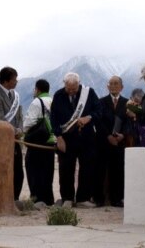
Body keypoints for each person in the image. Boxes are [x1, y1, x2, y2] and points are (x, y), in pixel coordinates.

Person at [49, 72, 100, 208]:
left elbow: (99, 111)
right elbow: (53, 118)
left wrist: (88, 117)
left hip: (86, 137)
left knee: (87, 168)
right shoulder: (59, 95)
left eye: (74, 89)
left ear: (79, 84)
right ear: (64, 84)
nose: (71, 91)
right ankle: (67, 198)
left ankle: (83, 198)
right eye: (68, 88)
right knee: (65, 169)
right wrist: (58, 136)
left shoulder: (89, 93)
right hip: (67, 138)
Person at [0, 66, 25, 201]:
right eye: (14, 79)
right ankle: (4, 198)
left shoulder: (15, 96)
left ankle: (15, 198)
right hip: (3, 141)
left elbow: (19, 116)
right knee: (5, 170)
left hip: (16, 140)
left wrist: (20, 130)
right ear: (6, 81)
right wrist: (13, 131)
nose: (16, 82)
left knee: (18, 172)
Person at [93, 76, 128, 207]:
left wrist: (122, 135)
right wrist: (108, 136)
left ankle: (117, 199)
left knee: (118, 170)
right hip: (103, 141)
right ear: (107, 87)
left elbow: (128, 122)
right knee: (100, 170)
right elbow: (98, 120)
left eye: (116, 84)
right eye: (111, 84)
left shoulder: (127, 103)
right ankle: (99, 198)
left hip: (119, 143)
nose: (113, 86)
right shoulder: (100, 102)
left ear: (121, 87)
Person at [23, 79, 55, 207]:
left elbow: (29, 122)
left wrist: (23, 130)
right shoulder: (53, 101)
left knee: (34, 170)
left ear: (38, 89)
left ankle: (37, 198)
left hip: (38, 140)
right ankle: (48, 199)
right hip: (51, 141)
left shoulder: (37, 102)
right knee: (48, 171)